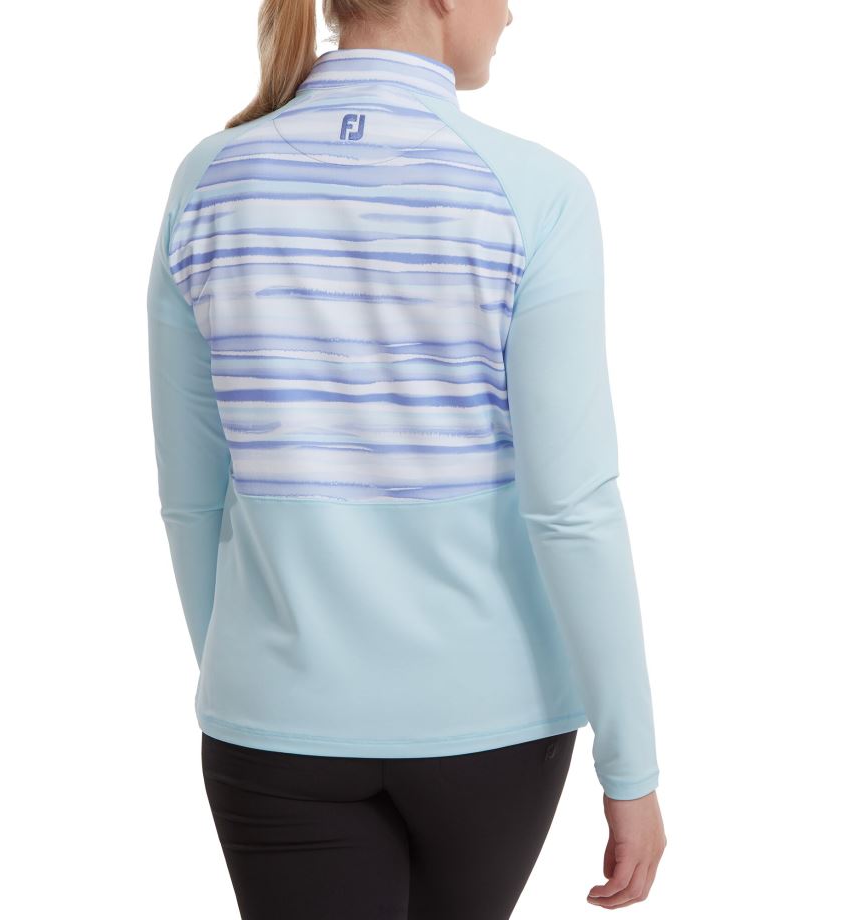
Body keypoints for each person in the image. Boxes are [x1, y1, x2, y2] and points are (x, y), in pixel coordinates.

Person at [146, 0, 667, 916]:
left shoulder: (210, 178)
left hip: (273, 724)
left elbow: (193, 495)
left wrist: (259, 679)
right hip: (490, 725)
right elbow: (572, 507)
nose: (512, 14)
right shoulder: (535, 191)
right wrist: (632, 768)